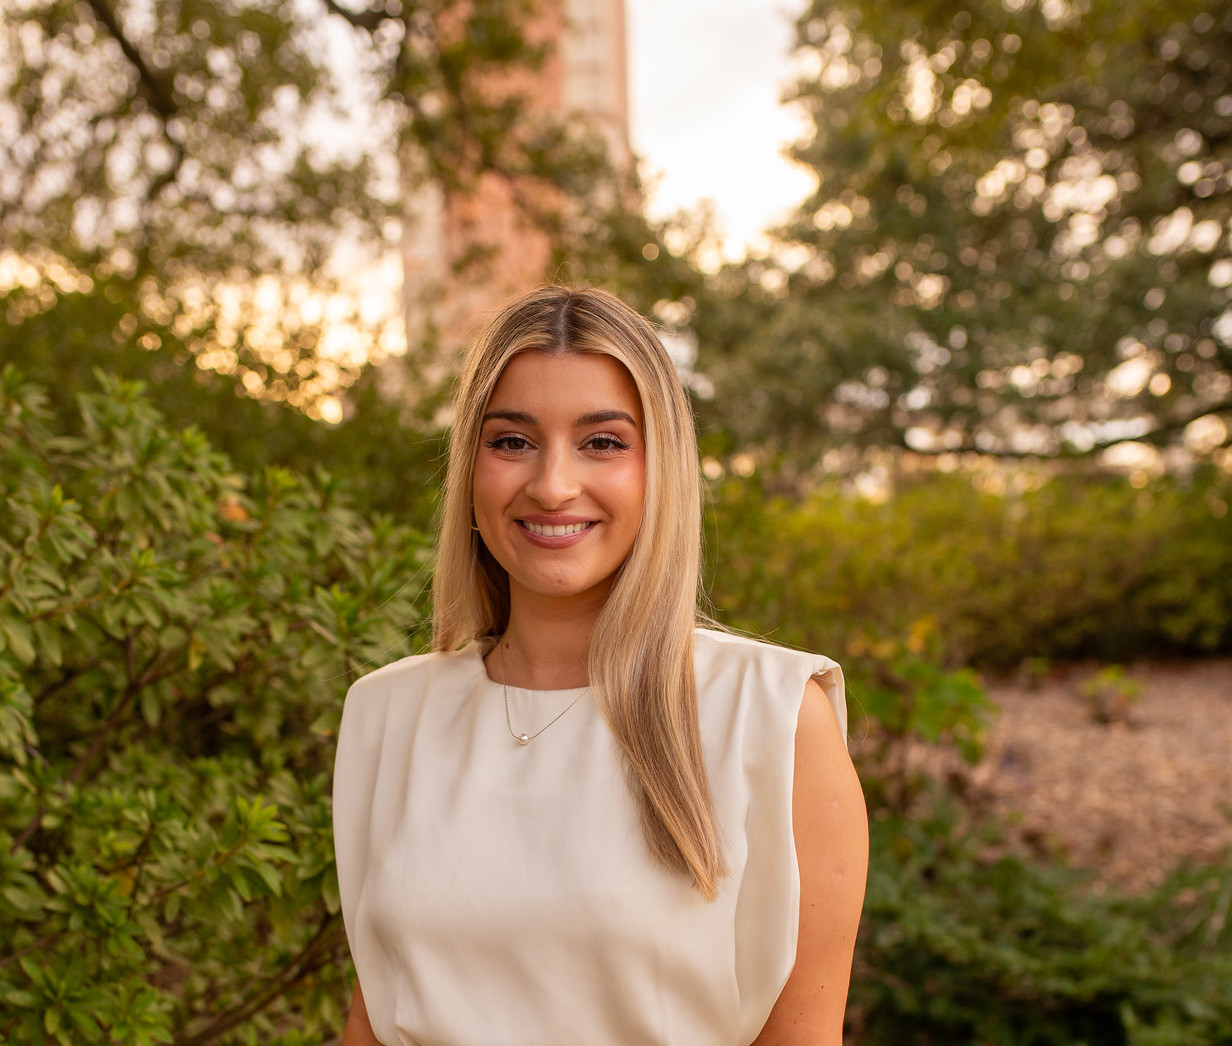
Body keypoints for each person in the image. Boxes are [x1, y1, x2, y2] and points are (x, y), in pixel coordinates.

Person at [333, 285, 868, 1046]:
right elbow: (373, 1022)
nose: (552, 484)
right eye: (512, 441)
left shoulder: (775, 717)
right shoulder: (387, 714)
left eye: (604, 442)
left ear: (661, 469)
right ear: (470, 467)